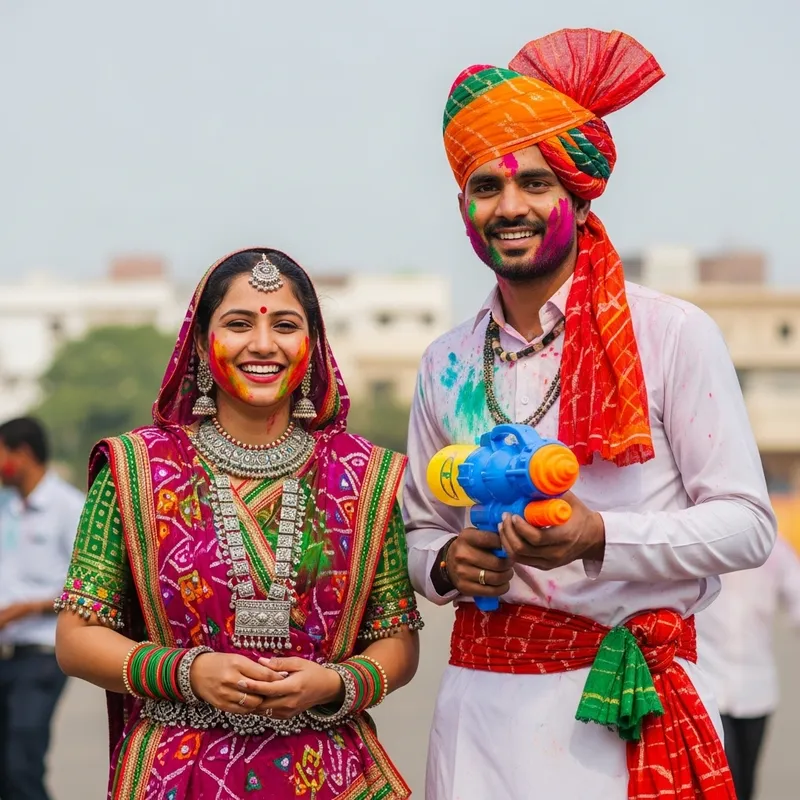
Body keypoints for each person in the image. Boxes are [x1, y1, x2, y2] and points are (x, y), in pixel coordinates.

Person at [402, 28, 777, 800]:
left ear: (576, 191)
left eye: (535, 183)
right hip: (478, 714)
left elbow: (747, 525)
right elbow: (417, 528)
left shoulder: (670, 333)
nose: (511, 208)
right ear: (463, 204)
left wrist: (598, 534)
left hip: (621, 711)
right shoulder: (445, 361)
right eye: (486, 187)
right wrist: (445, 564)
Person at [55, 248, 423, 800]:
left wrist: (334, 682)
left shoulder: (363, 475)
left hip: (327, 772)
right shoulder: (137, 470)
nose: (263, 344)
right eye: (238, 323)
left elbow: (395, 640)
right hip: (180, 771)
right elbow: (76, 639)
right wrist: (187, 672)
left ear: (313, 345)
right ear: (202, 343)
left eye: (285, 325)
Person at [0, 416, 84, 800]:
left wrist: (24, 609)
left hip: (41, 655)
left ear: (24, 454)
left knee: (22, 765)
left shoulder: (69, 508)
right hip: (5, 652)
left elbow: (85, 589)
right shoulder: (6, 508)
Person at [696, 534, 800, 800]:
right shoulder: (704, 544)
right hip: (708, 686)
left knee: (745, 783)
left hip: (757, 688)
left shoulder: (775, 551)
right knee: (720, 782)